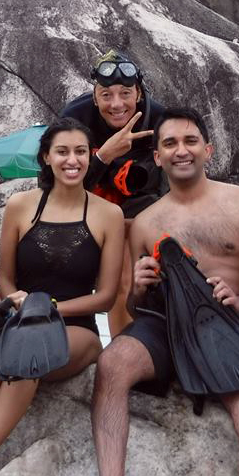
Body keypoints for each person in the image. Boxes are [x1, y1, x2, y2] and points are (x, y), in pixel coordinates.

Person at [92, 107, 239, 476]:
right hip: (164, 325)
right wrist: (139, 289)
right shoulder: (145, 222)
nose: (181, 150)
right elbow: (134, 307)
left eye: (190, 141)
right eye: (170, 143)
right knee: (112, 365)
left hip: (229, 324)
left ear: (208, 150)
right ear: (157, 156)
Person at [0, 118, 125, 476]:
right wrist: (18, 300)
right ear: (47, 157)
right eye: (63, 152)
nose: (73, 160)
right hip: (20, 320)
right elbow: (5, 277)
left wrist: (48, 308)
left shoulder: (109, 214)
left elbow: (105, 297)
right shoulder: (20, 205)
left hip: (76, 328)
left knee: (27, 357)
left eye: (81, 152)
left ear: (91, 156)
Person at [61, 49, 166, 336]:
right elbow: (57, 188)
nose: (116, 104)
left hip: (141, 212)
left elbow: (171, 185)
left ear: (139, 93)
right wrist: (103, 157)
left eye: (125, 93)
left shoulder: (159, 120)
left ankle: (133, 343)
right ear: (95, 98)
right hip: (84, 209)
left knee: (129, 279)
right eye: (106, 95)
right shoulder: (74, 119)